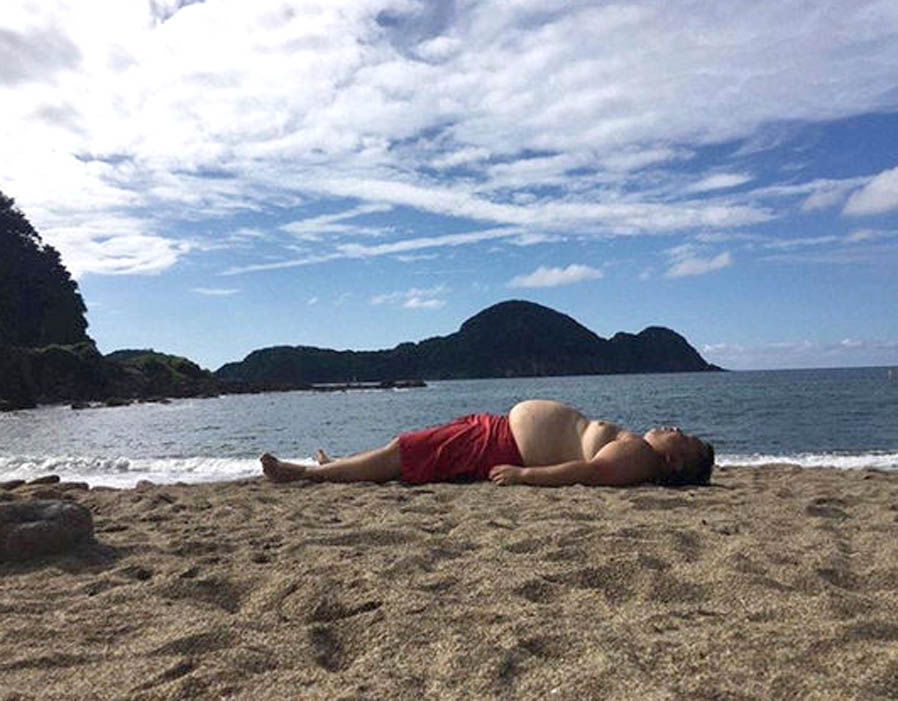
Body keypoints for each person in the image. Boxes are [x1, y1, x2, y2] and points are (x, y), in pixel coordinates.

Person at [260, 399, 714, 488]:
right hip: (497, 432)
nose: (673, 428)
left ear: (676, 462)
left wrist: (525, 476)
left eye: (683, 437)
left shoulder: (639, 455)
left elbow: (589, 473)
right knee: (408, 447)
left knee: (406, 451)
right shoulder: (639, 450)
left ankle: (307, 475)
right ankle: (337, 464)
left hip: (502, 447)